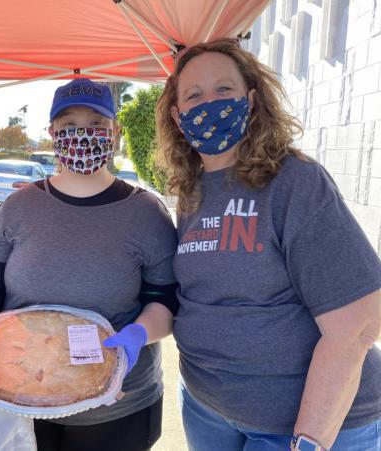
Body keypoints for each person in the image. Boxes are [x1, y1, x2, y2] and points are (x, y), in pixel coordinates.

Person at [156, 38, 381, 450]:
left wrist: (309, 440)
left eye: (224, 91)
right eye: (194, 95)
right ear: (178, 114)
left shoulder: (295, 182)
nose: (211, 103)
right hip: (208, 409)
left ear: (252, 99)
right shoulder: (192, 191)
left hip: (300, 427)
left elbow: (360, 323)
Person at [0, 78, 178, 451]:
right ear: (52, 134)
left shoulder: (145, 211)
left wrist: (137, 336)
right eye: (69, 126)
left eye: (96, 125)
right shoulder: (20, 206)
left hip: (118, 407)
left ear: (115, 132)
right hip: (22, 399)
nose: (83, 135)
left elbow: (165, 299)